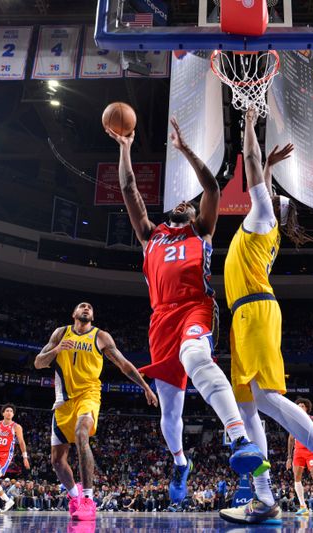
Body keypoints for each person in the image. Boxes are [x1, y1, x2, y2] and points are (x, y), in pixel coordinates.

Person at [106, 117, 268, 509]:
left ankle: (239, 439)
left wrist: (183, 150)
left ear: (195, 215)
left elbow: (212, 187)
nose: (183, 204)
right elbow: (128, 189)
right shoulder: (150, 235)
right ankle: (180, 462)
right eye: (179, 204)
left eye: (188, 205)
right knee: (170, 411)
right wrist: (125, 148)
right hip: (160, 319)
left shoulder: (202, 231)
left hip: (196, 305)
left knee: (197, 356)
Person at [219, 107, 313, 526]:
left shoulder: (262, 220)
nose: (263, 191)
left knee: (266, 398)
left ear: (272, 207)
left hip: (255, 310)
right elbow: (258, 176)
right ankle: (264, 499)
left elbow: (251, 172)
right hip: (242, 316)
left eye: (267, 193)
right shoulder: (262, 227)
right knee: (248, 409)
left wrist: (249, 125)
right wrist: (267, 166)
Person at [34, 302, 158, 521]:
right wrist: (57, 349)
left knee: (82, 434)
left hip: (89, 395)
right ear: (74, 313)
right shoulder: (60, 333)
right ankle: (75, 495)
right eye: (81, 306)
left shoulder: (101, 337)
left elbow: (124, 364)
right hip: (63, 401)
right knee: (57, 461)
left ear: (92, 315)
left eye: (89, 307)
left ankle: (89, 500)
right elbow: (38, 363)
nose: (86, 308)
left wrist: (146, 387)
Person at [286, 398, 313, 515]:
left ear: (307, 408)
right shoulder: (293, 421)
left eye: (302, 406)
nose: (300, 407)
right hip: (298, 453)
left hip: (311, 451)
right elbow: (290, 439)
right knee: (297, 477)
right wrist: (289, 457)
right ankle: (303, 506)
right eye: (298, 405)